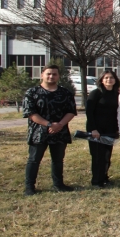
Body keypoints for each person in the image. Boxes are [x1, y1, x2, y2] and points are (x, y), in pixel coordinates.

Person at [22, 65, 77, 196]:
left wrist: (60, 125)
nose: (51, 76)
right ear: (42, 75)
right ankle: (29, 187)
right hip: (38, 132)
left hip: (60, 131)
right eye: (48, 74)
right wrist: (48, 124)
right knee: (34, 159)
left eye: (54, 74)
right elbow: (30, 113)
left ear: (58, 76)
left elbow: (71, 111)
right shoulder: (32, 92)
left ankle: (58, 184)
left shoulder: (65, 93)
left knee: (58, 160)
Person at [86, 70, 120, 188]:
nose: (108, 80)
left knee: (107, 156)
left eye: (111, 78)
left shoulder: (117, 94)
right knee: (97, 156)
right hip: (96, 130)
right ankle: (96, 181)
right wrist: (93, 129)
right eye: (106, 78)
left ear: (115, 80)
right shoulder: (96, 93)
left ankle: (104, 177)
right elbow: (89, 112)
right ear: (101, 80)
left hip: (110, 130)